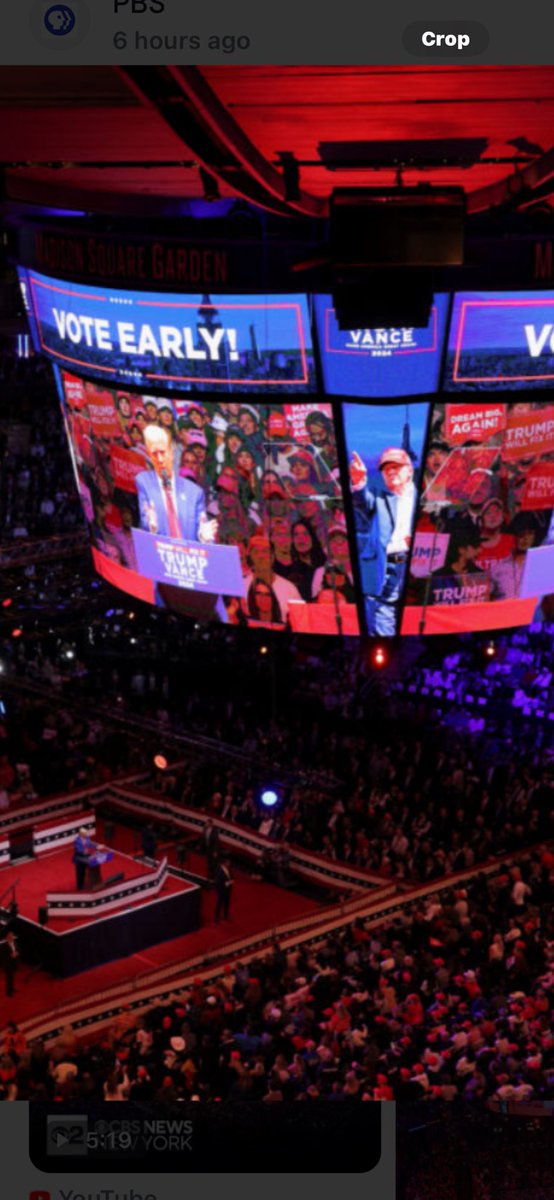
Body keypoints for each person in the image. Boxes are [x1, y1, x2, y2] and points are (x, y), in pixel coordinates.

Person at [350, 446, 417, 635]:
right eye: (386, 468)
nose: (390, 471)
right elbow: (361, 500)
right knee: (383, 615)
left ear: (410, 470)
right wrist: (358, 481)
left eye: (396, 466)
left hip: (417, 569)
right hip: (387, 568)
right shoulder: (379, 499)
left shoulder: (425, 498)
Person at [136, 425, 218, 543]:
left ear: (171, 452)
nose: (159, 459)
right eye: (154, 454)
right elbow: (145, 521)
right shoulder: (144, 481)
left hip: (188, 556)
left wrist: (203, 537)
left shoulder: (194, 493)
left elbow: (202, 529)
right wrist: (151, 526)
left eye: (163, 452)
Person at [72, 826, 95, 891]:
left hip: (86, 857)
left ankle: (83, 884)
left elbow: (90, 844)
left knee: (84, 872)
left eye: (86, 833)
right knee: (80, 873)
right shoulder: (77, 840)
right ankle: (79, 886)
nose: (86, 834)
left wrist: (96, 847)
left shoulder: (87, 838)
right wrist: (84, 851)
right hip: (79, 859)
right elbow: (78, 850)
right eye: (85, 833)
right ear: (81, 834)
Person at [214, 856, 233, 922]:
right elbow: (218, 882)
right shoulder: (219, 871)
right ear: (224, 863)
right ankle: (216, 918)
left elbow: (230, 877)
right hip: (222, 890)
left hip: (228, 890)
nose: (229, 863)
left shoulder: (228, 869)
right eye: (228, 862)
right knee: (219, 904)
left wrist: (230, 881)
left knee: (226, 903)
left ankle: (226, 915)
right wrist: (226, 883)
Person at [0, 929, 18, 997]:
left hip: (14, 963)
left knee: (12, 977)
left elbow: (17, 949)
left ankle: (12, 988)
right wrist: (11, 956)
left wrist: (17, 953)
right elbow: (2, 956)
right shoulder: (3, 945)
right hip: (7, 964)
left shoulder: (15, 942)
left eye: (12, 936)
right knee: (8, 978)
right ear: (7, 937)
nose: (12, 937)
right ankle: (8, 992)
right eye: (10, 936)